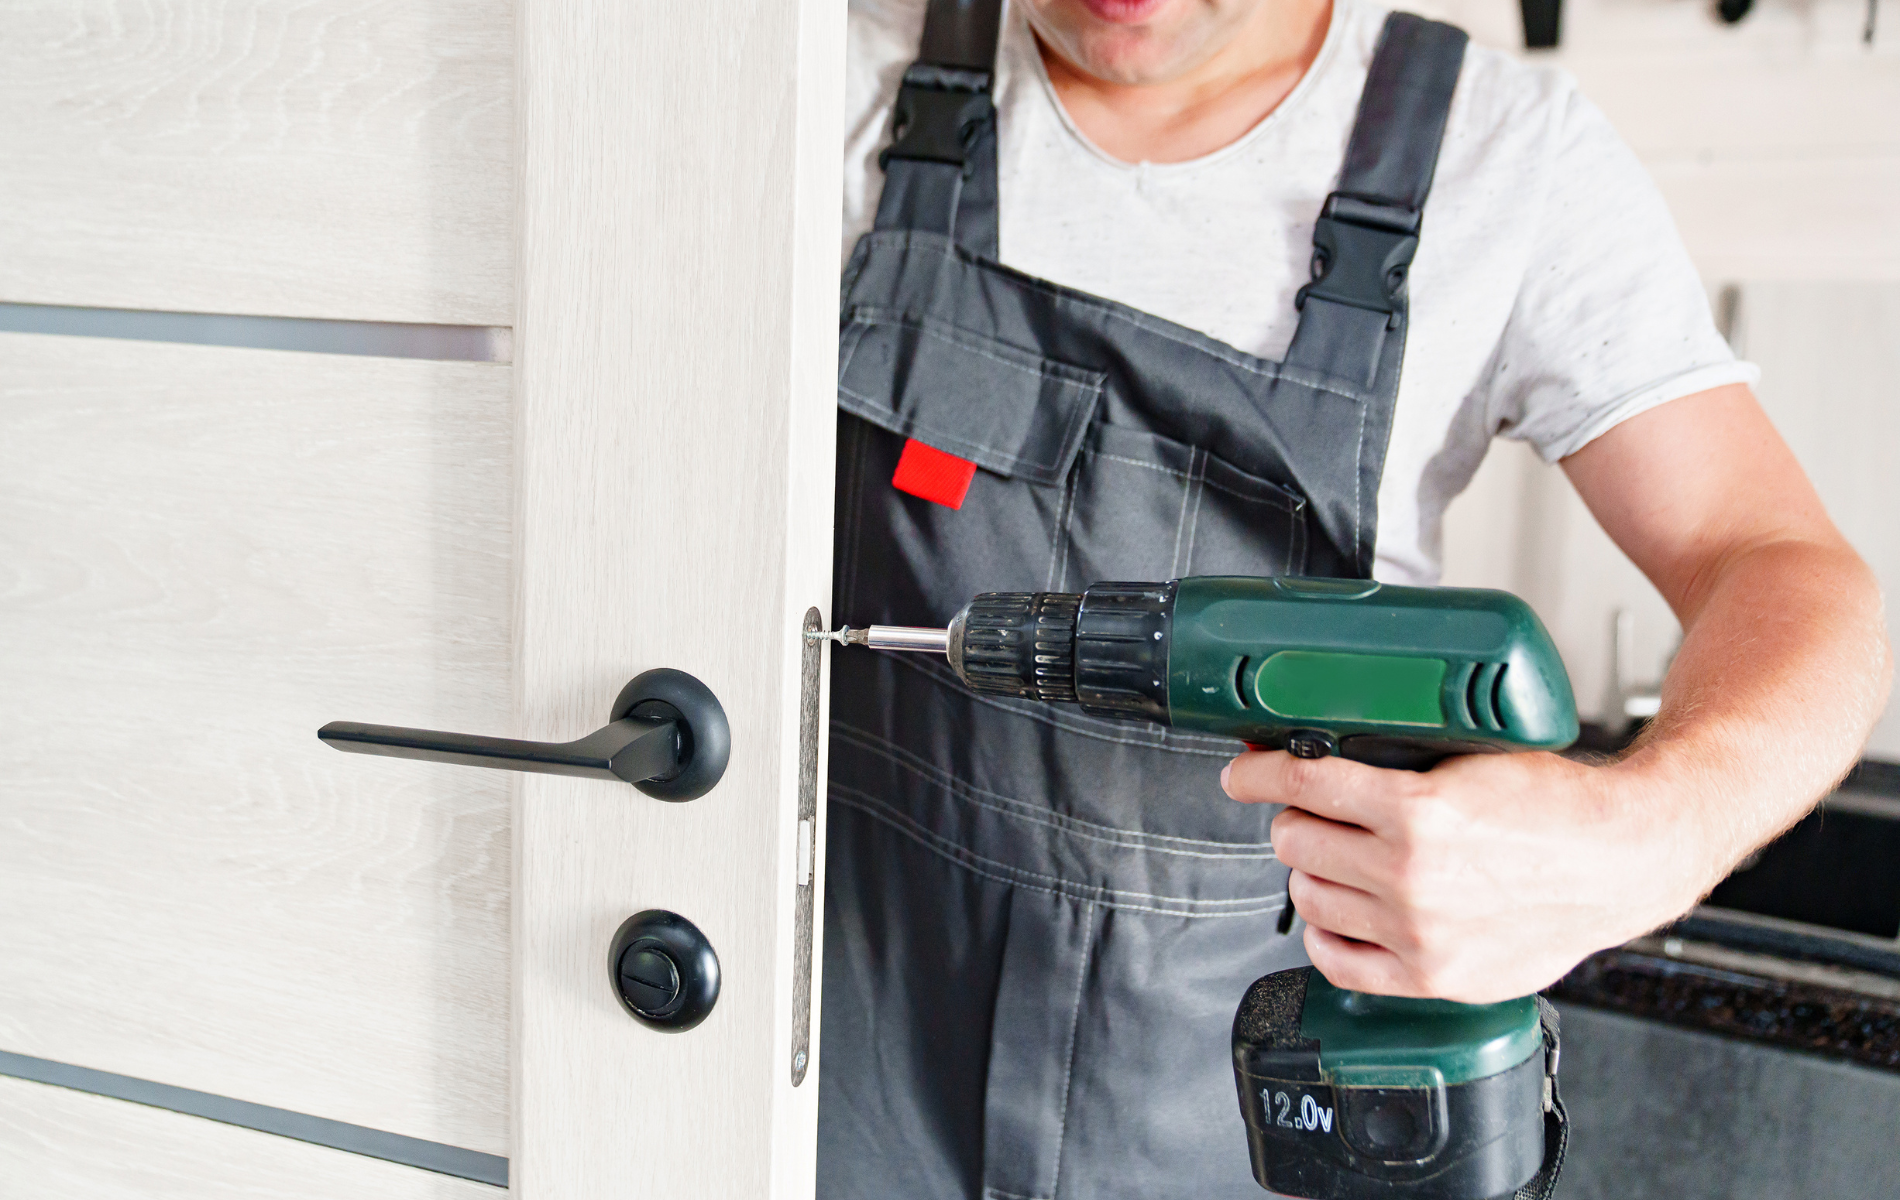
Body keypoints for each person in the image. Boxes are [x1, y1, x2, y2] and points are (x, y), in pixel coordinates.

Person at [821, 0, 1893, 1197]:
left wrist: (1645, 835)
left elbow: (1784, 567)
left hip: (1240, 1115)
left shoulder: (1503, 159)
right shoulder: (821, 65)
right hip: (834, 1064)